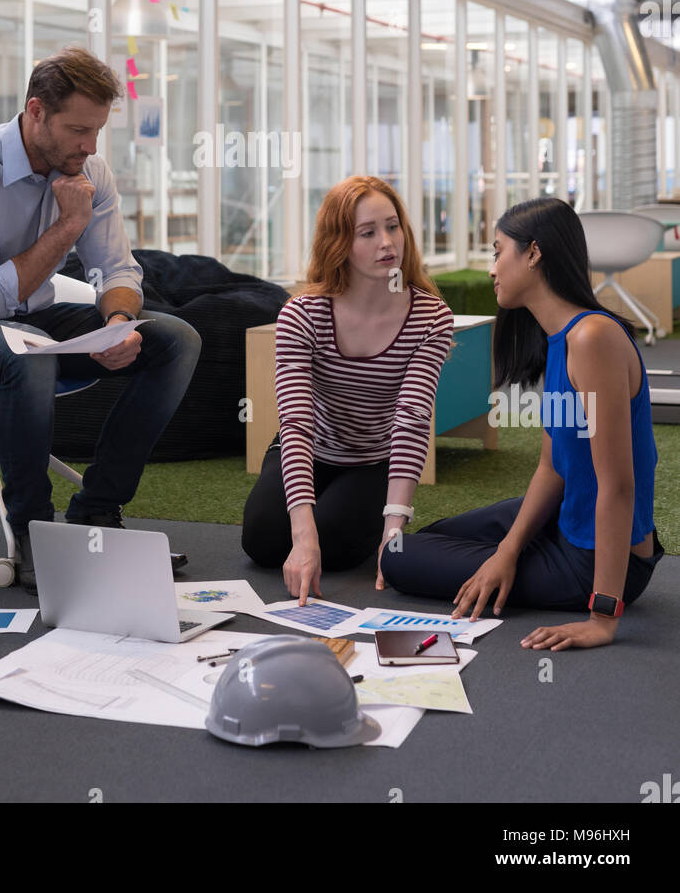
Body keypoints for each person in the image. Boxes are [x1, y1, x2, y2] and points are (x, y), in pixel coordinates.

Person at [0, 46, 201, 591]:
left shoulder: (88, 169)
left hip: (29, 317)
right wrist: (67, 227)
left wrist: (119, 323)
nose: (89, 147)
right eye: (78, 130)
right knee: (28, 354)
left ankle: (97, 514)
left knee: (175, 340)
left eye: (98, 132)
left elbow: (117, 268)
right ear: (36, 112)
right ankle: (35, 535)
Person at [381, 196, 665, 650]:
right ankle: (513, 554)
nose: (492, 268)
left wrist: (603, 616)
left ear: (532, 253)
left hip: (599, 563)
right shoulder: (561, 338)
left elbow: (618, 486)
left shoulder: (593, 339)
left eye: (497, 251)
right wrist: (506, 553)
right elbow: (552, 468)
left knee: (399, 559)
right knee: (427, 539)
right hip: (566, 521)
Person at [242, 175, 454, 602]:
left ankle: (346, 523)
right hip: (308, 445)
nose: (387, 243)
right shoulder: (302, 315)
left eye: (393, 226)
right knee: (264, 542)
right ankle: (307, 525)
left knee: (335, 546)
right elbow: (297, 424)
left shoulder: (432, 318)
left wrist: (393, 530)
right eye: (368, 232)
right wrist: (302, 536)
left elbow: (411, 424)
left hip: (371, 458)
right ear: (339, 242)